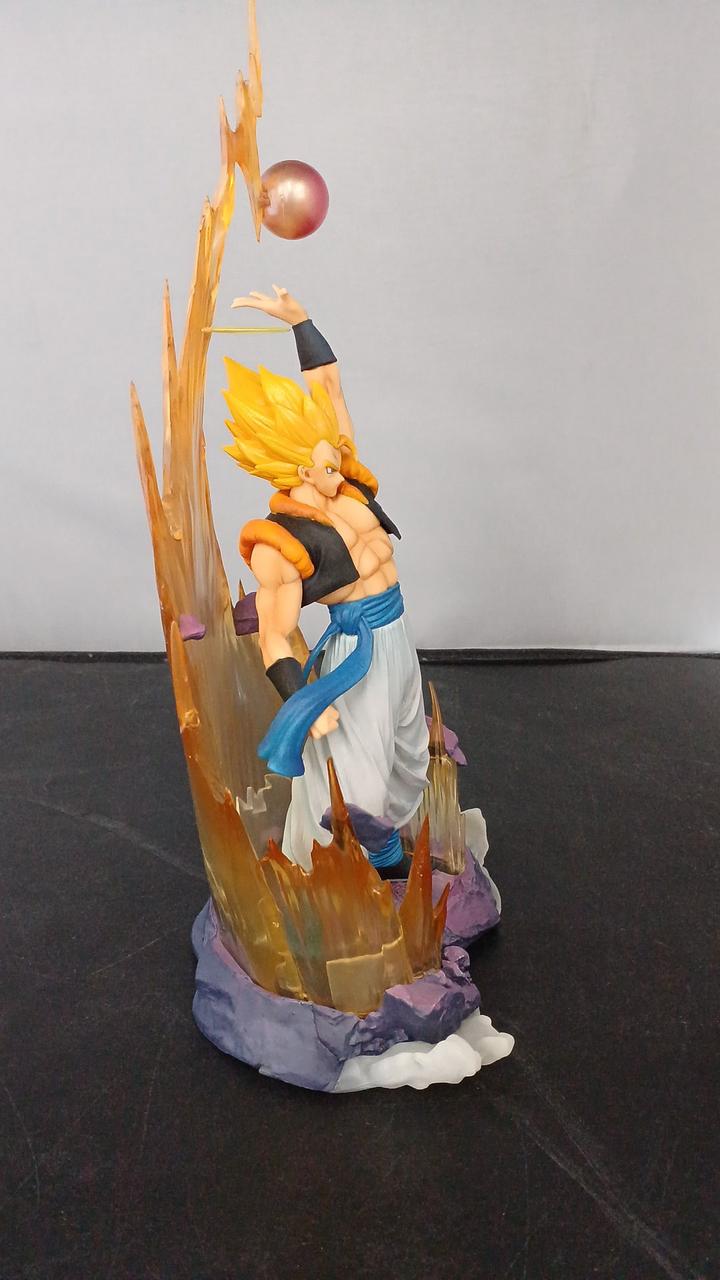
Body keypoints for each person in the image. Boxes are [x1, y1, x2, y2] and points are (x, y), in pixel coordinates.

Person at [224, 285, 429, 877]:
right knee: (359, 778)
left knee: (408, 758)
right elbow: (274, 636)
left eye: (336, 456)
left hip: (397, 631)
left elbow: (330, 388)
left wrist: (301, 322)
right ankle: (372, 872)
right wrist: (303, 703)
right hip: (356, 650)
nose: (338, 463)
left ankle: (386, 854)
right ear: (297, 467)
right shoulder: (280, 541)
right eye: (325, 462)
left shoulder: (343, 477)